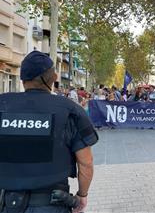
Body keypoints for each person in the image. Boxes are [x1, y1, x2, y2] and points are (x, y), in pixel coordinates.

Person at [0, 51, 98, 213]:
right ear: (54, 78)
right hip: (53, 204)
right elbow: (86, 162)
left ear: (23, 78)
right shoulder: (69, 110)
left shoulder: (3, 104)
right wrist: (82, 195)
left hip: (7, 203)